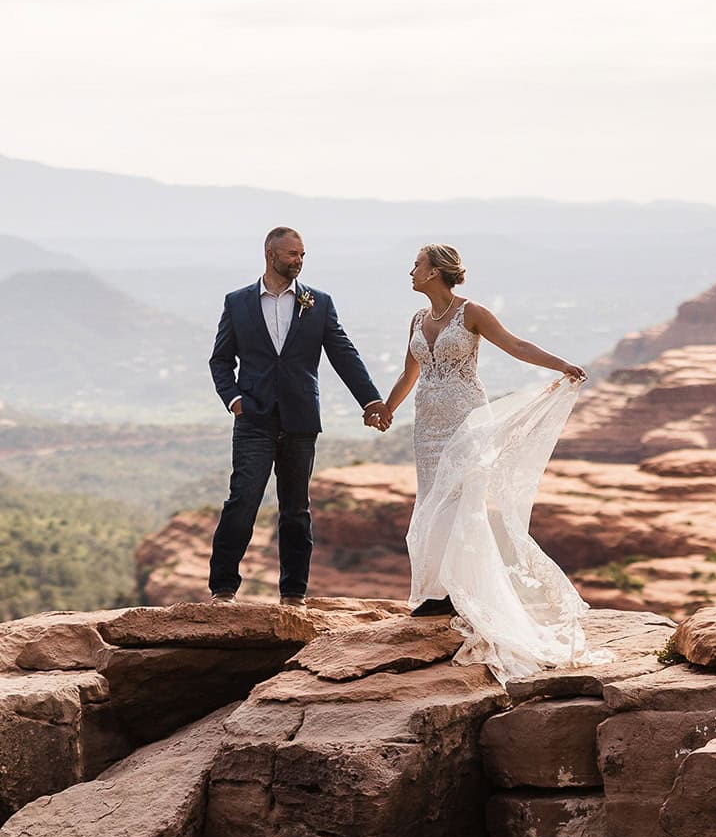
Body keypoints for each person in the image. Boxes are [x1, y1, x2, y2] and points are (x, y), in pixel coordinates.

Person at [372, 243, 599, 682]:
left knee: (460, 504)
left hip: (466, 420)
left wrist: (561, 365)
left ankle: (461, 592)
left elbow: (515, 344)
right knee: (432, 502)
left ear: (437, 272)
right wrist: (389, 407)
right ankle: (437, 592)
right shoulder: (418, 320)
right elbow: (409, 373)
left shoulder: (471, 313)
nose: (411, 271)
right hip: (428, 425)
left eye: (417, 265)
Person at [207, 227, 388, 604]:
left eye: (302, 255)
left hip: (301, 419)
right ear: (270, 254)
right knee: (242, 501)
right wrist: (234, 400)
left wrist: (370, 400)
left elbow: (344, 354)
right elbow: (221, 360)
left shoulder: (318, 303)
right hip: (253, 418)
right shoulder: (237, 302)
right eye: (292, 254)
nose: (299, 261)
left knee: (295, 509)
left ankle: (293, 594)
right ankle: (223, 590)